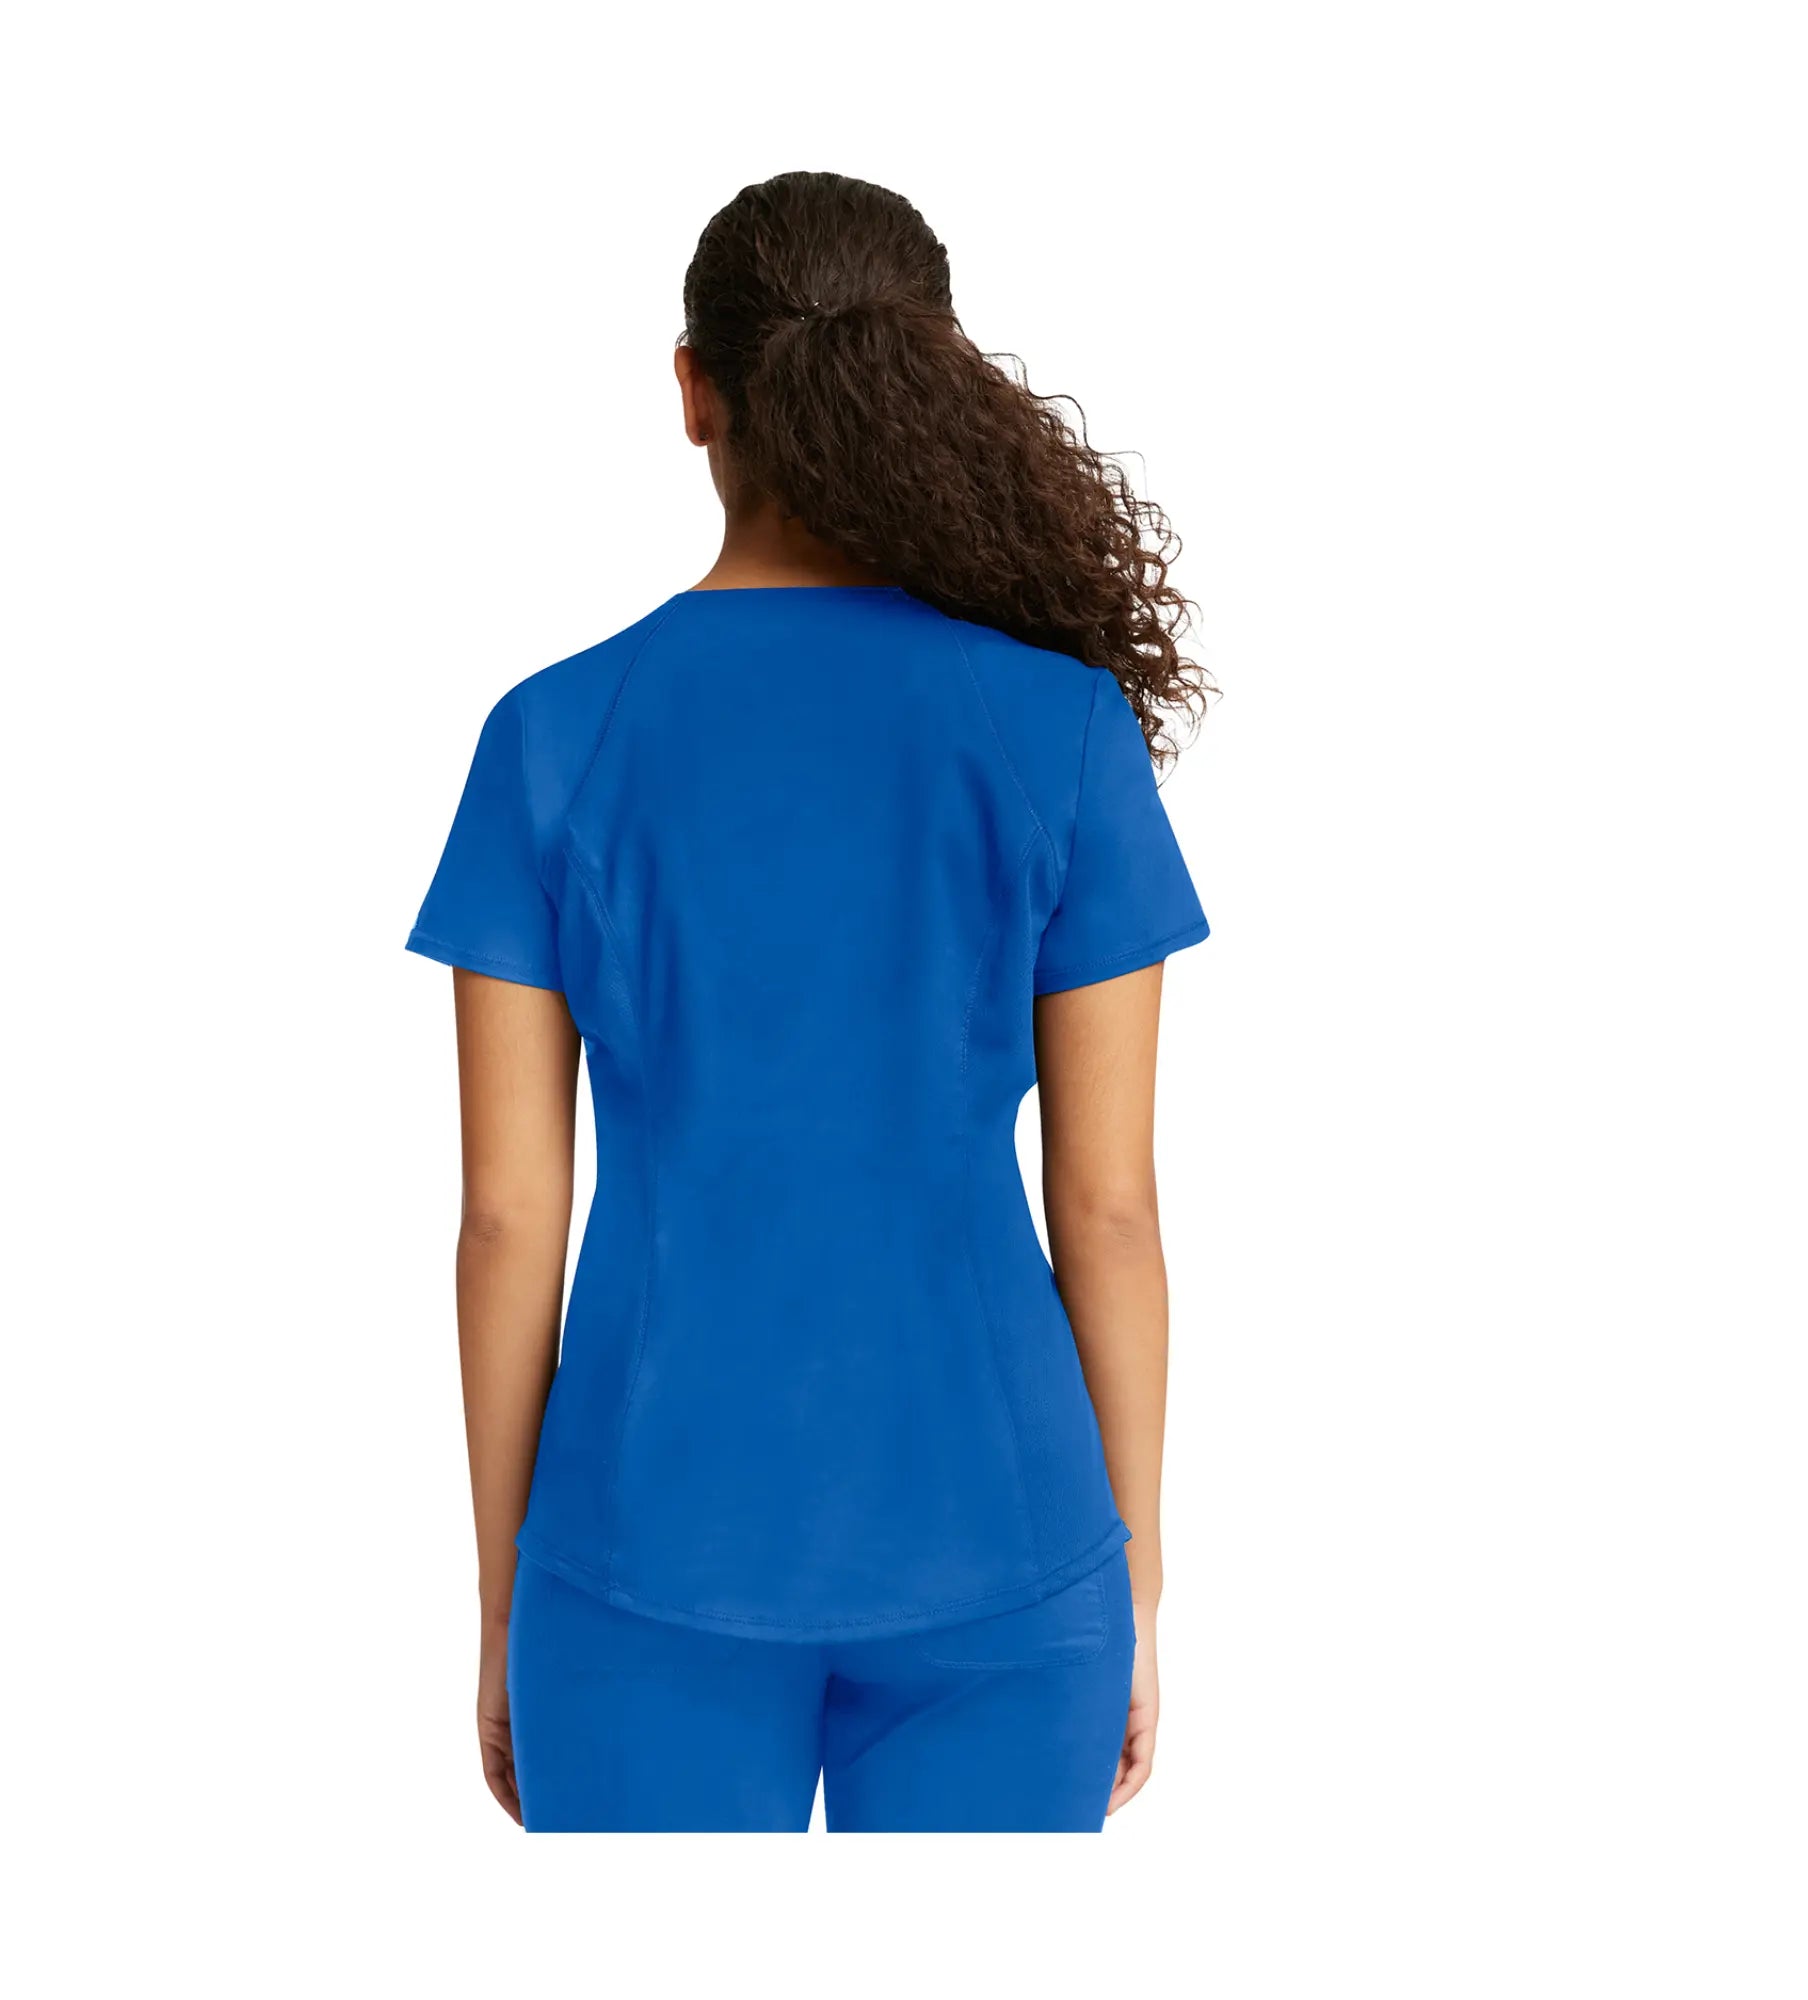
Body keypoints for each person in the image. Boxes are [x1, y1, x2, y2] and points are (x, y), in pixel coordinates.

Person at [406, 170, 1212, 1832]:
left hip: (636, 1550)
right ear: (931, 376)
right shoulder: (1060, 729)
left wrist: (501, 1605)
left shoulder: (553, 736)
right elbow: (1112, 1211)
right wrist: (1134, 1580)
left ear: (691, 391)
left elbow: (504, 1219)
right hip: (1010, 1543)